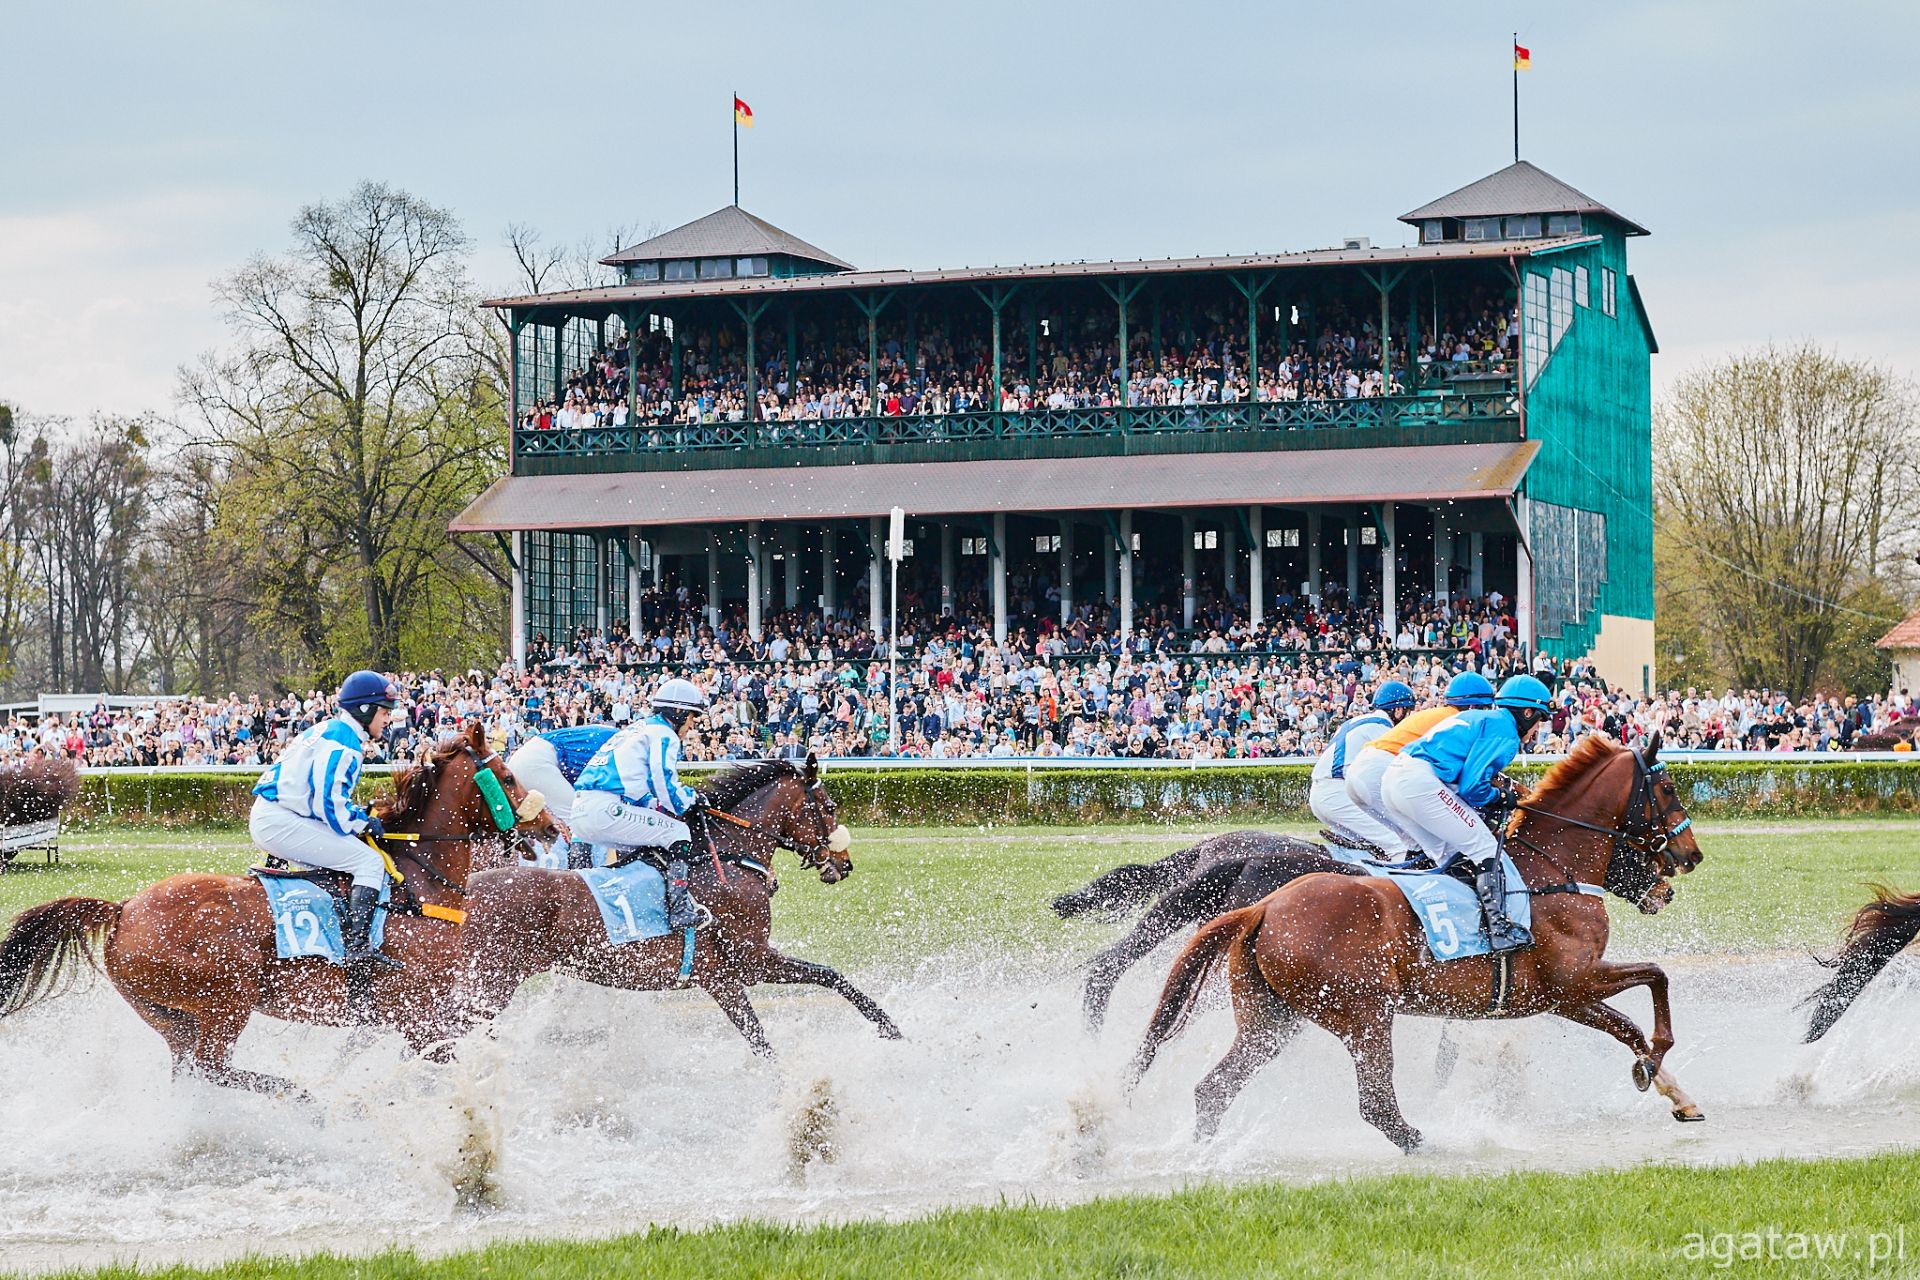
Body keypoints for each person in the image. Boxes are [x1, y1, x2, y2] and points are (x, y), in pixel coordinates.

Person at [1381, 674, 1555, 954]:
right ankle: (1498, 931)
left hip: (1395, 781)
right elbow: (1473, 787)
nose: (1537, 729)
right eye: (1539, 720)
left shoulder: (1487, 720)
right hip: (1418, 782)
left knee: (1451, 857)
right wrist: (1502, 798)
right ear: (1527, 712)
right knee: (1483, 847)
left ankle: (1442, 928)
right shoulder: (1506, 731)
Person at [249, 670, 403, 971]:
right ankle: (358, 949)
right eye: (384, 712)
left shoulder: (328, 730)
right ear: (365, 710)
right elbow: (328, 805)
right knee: (368, 863)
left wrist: (357, 814)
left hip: (276, 816)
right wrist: (360, 823)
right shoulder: (346, 743)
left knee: (344, 859)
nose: (388, 719)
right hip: (281, 821)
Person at [569, 678, 713, 930]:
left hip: (580, 814)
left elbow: (640, 789)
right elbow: (664, 783)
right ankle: (679, 911)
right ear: (677, 712)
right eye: (691, 717)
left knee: (652, 837)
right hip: (606, 810)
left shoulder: (637, 728)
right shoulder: (664, 733)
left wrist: (656, 806)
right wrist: (691, 799)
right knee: (678, 831)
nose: (692, 724)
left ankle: (584, 886)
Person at [1343, 671, 1494, 856]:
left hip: (1359, 772)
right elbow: (1461, 777)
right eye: (1485, 709)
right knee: (1447, 846)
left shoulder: (1437, 714)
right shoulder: (1460, 721)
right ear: (1472, 706)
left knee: (1415, 843)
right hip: (1381, 771)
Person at [1309, 680, 1416, 852]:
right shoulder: (1383, 727)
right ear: (1397, 710)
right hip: (1339, 793)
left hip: (1321, 794)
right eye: (1408, 711)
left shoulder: (1358, 721)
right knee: (1398, 844)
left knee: (1371, 849)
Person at [504, 723, 618, 867]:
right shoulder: (622, 744)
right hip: (537, 762)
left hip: (528, 758)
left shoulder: (614, 736)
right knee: (580, 817)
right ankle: (580, 873)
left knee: (578, 819)